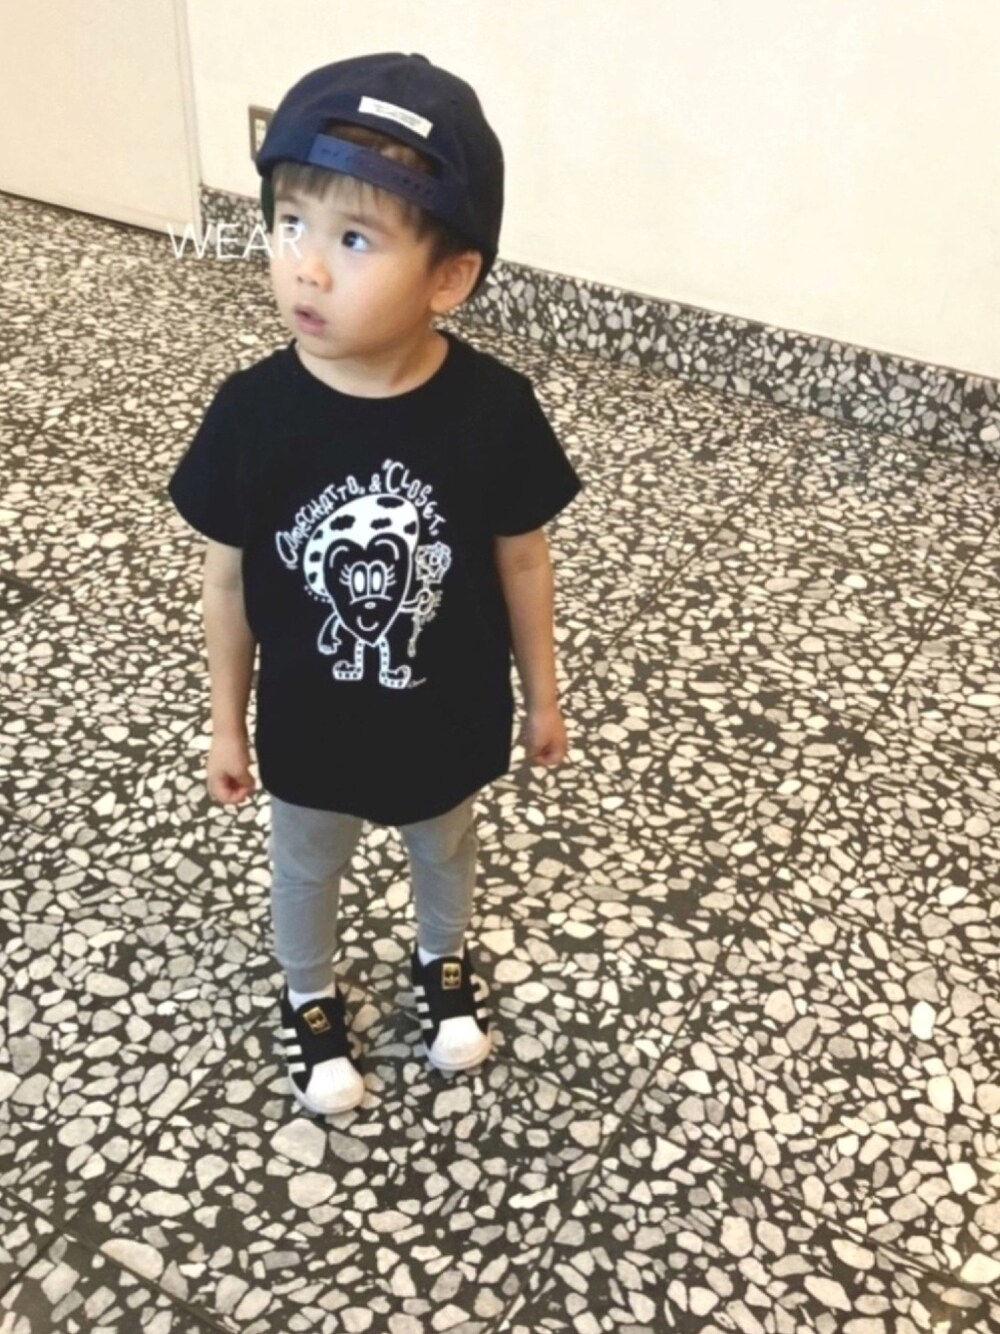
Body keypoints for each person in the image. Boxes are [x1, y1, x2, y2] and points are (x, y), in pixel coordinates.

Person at [167, 51, 584, 1117]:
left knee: (444, 845)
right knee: (306, 865)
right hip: (309, 725)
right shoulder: (252, 414)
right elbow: (227, 585)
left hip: (446, 713)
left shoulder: (494, 412)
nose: (304, 267)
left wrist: (543, 695)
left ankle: (442, 961)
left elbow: (522, 556)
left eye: (353, 239)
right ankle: (309, 994)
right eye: (289, 223)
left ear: (450, 277)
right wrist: (225, 724)